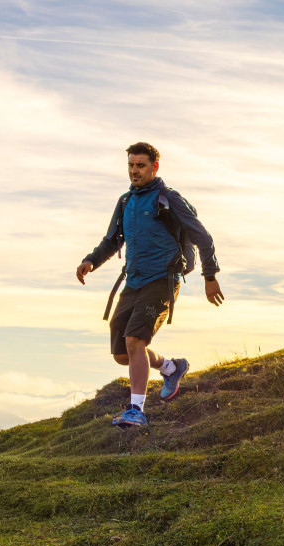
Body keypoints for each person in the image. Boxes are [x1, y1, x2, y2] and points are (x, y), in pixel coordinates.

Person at [76, 142, 223, 429]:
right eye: (131, 165)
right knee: (123, 353)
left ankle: (136, 411)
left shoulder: (168, 199)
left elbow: (202, 237)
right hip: (133, 281)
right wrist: (91, 261)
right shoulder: (125, 202)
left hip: (162, 280)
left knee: (135, 341)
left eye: (140, 165)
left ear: (155, 167)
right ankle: (171, 367)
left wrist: (210, 276)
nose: (134, 171)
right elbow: (112, 240)